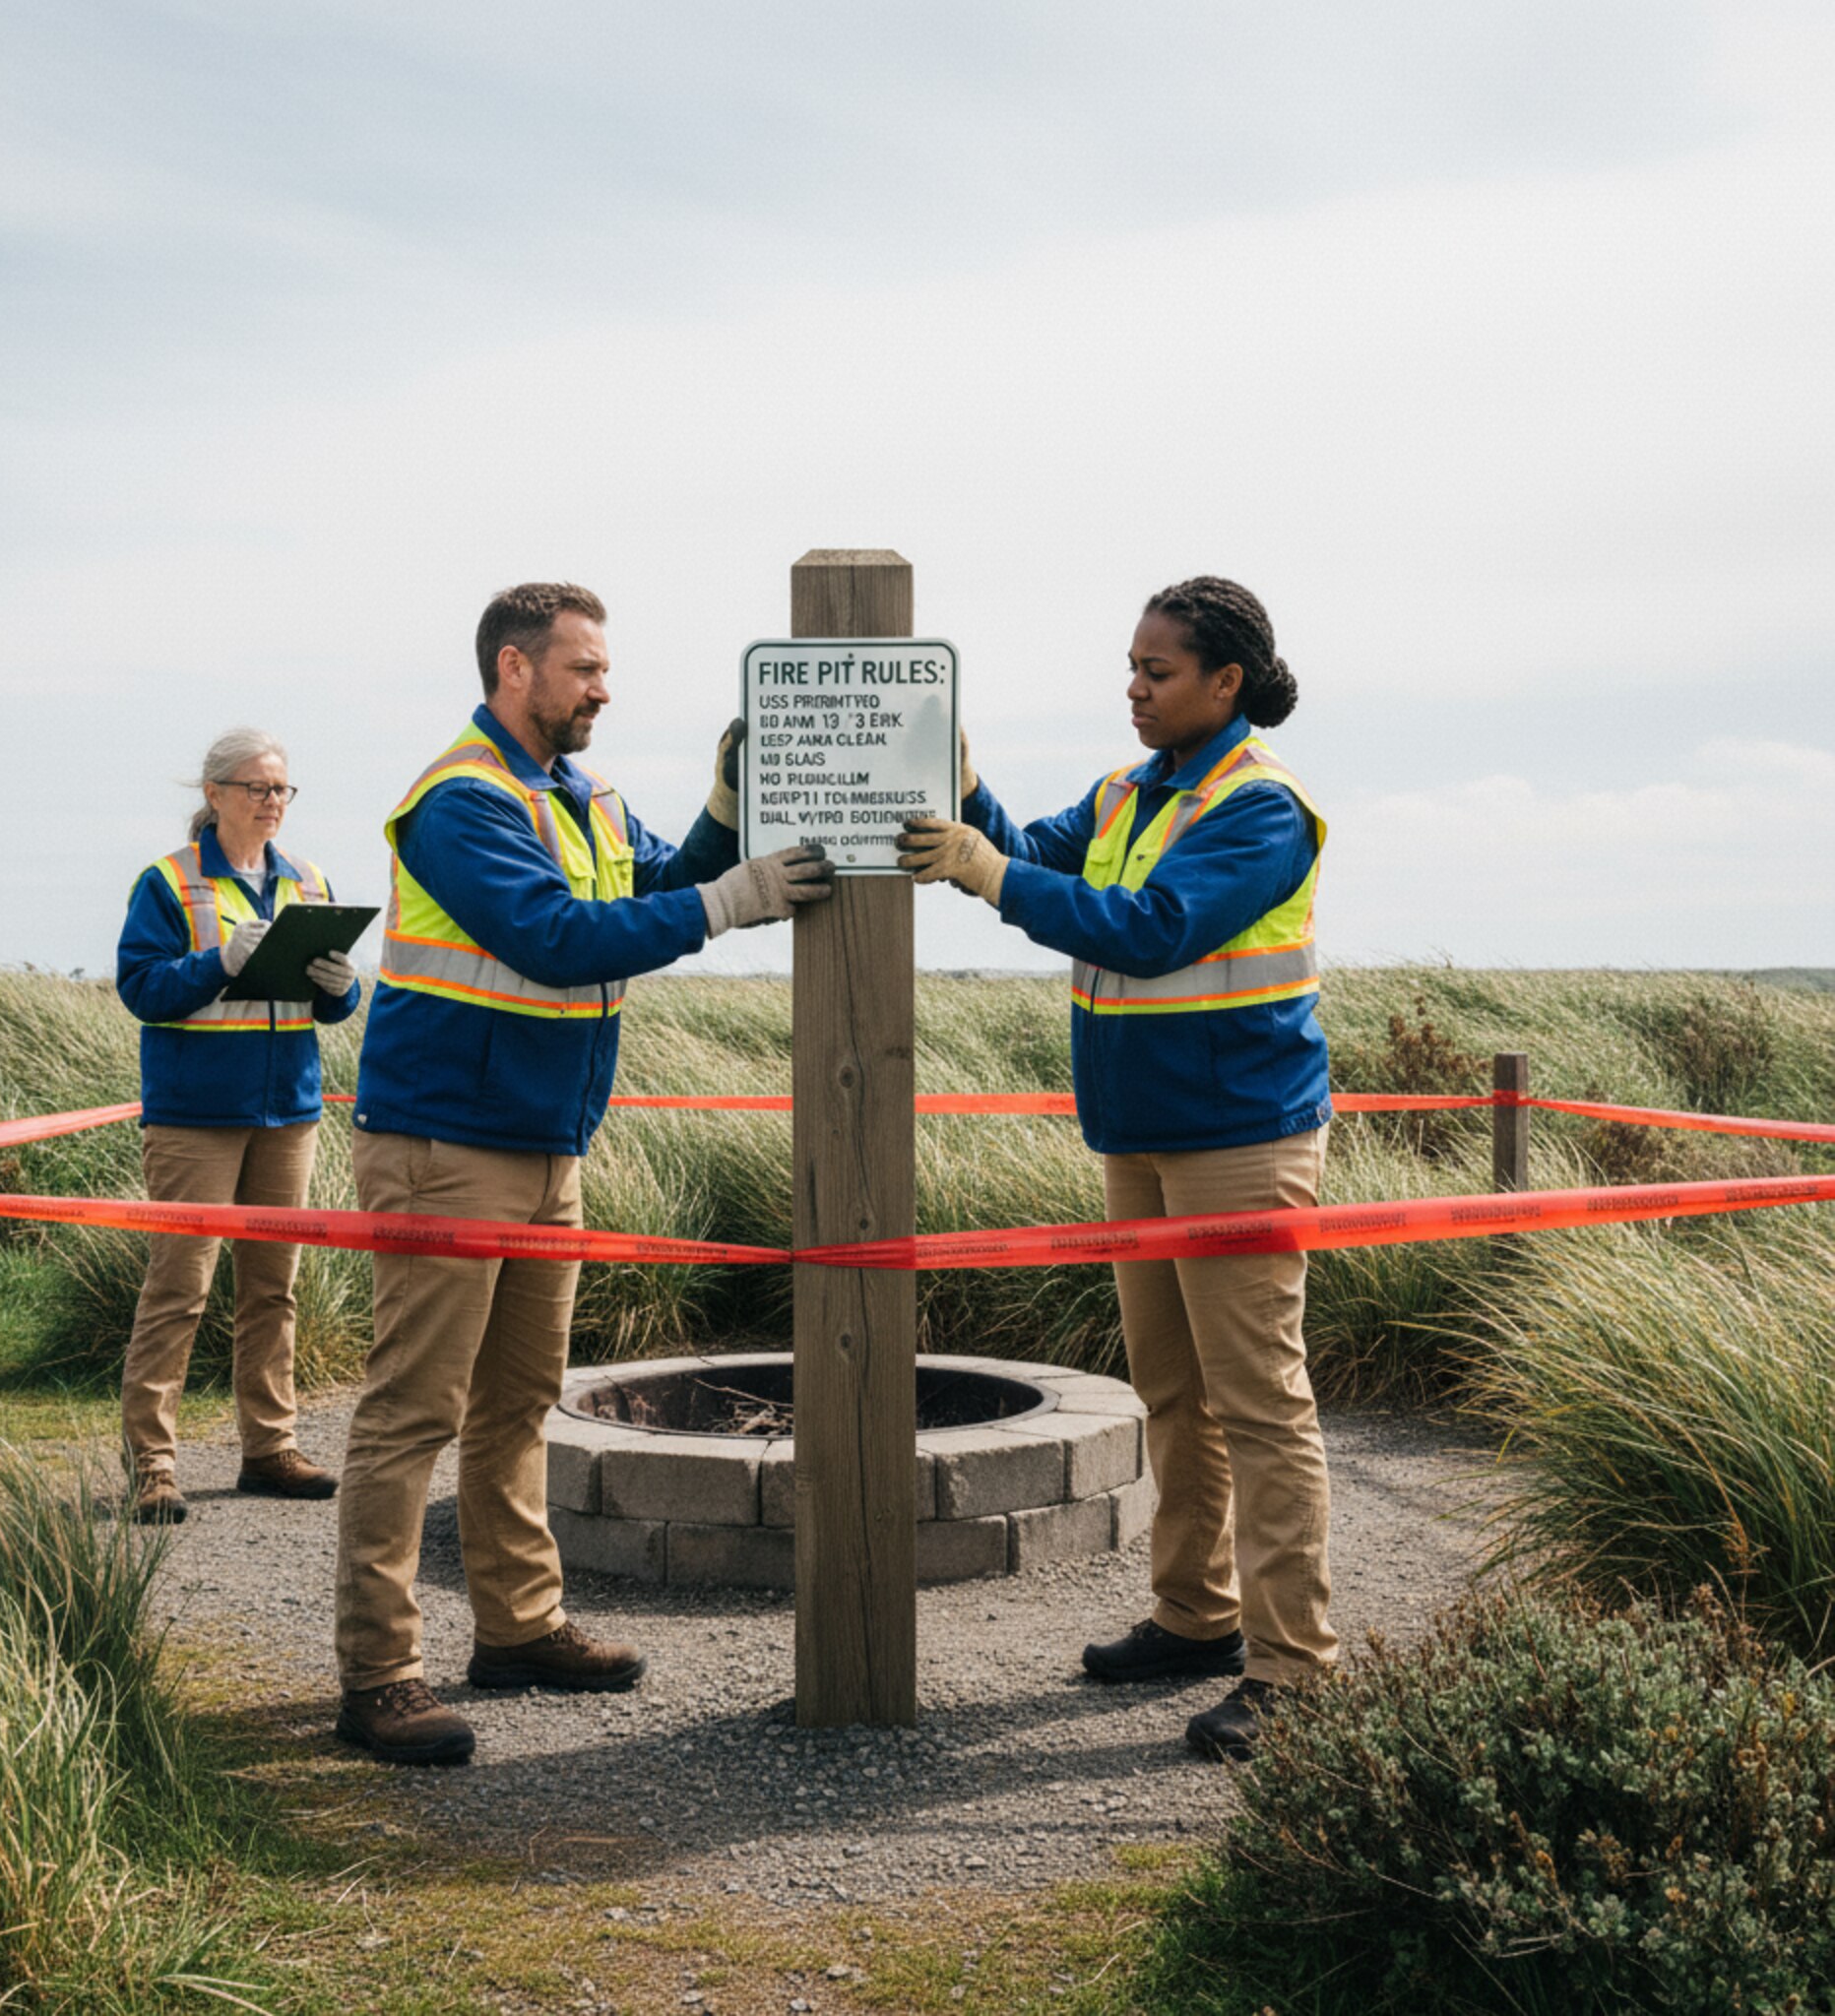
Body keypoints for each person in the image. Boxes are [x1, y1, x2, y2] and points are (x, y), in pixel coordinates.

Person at [334, 581, 834, 1766]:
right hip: (443, 1145)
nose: (603, 688)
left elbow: (656, 886)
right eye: (584, 669)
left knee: (516, 1403)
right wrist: (733, 899)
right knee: (412, 1412)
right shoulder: (460, 802)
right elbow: (555, 938)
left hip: (545, 1141)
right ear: (515, 668)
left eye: (603, 670)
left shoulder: (583, 793)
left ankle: (515, 1629)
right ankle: (378, 1674)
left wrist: (721, 817)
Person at [896, 576, 1334, 1762]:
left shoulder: (1260, 807)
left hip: (1239, 1138)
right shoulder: (1127, 788)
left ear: (1224, 682)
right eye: (1130, 668)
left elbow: (1145, 926)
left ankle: (1293, 1668)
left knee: (1257, 1399)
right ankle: (1195, 1616)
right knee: (1173, 1393)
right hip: (1137, 1133)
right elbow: (1033, 850)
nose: (1132, 688)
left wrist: (984, 872)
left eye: (1156, 671)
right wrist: (961, 783)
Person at [115, 727, 362, 1525]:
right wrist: (219, 963)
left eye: (283, 789)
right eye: (257, 788)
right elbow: (141, 989)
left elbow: (327, 1008)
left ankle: (270, 1449)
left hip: (287, 1112)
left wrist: (343, 987)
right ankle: (153, 1466)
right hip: (194, 1119)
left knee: (274, 1291)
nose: (272, 803)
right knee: (178, 1292)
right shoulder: (167, 882)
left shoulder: (310, 880)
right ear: (214, 794)